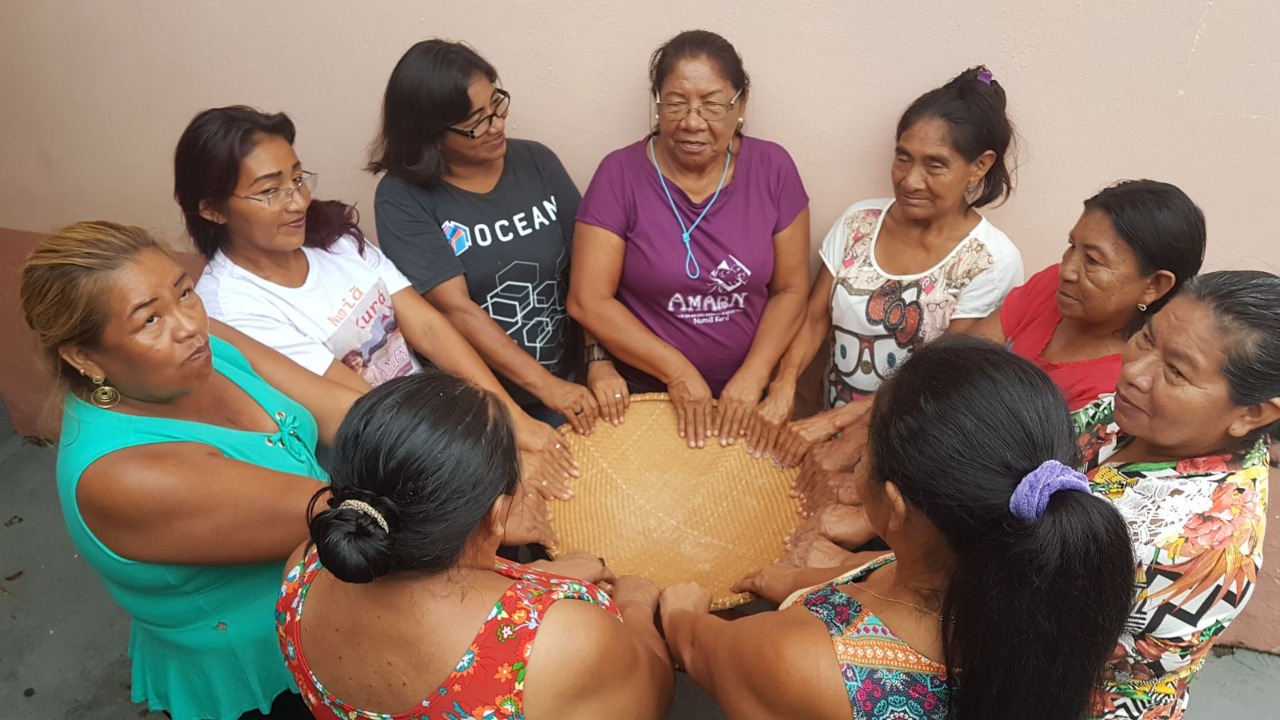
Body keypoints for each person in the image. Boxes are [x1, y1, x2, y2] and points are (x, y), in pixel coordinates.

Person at [659, 337, 1134, 719]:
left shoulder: (806, 664)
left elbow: (702, 649)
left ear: (895, 506)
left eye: (864, 451)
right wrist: (801, 583)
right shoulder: (1043, 592)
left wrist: (673, 611)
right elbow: (877, 577)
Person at [19, 221, 362, 719]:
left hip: (331, 599)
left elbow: (343, 409)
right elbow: (353, 518)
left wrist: (499, 436)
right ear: (83, 357)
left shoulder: (200, 347)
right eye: (149, 321)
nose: (187, 324)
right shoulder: (126, 474)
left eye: (184, 292)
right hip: (269, 666)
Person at [174, 106, 577, 498]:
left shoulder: (330, 237)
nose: (297, 202)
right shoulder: (233, 310)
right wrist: (495, 455)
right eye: (269, 191)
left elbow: (430, 328)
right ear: (212, 209)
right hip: (397, 467)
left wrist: (510, 420)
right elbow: (364, 411)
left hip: (447, 421)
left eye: (298, 179)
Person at [277, 371, 674, 719]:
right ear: (498, 514)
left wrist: (538, 581)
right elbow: (649, 699)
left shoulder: (305, 565)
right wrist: (635, 606)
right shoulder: (562, 642)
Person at [764, 65, 1023, 467]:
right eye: (903, 158)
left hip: (906, 450)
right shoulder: (858, 223)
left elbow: (937, 381)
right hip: (823, 430)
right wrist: (785, 381)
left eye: (934, 165)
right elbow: (814, 318)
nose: (910, 180)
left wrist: (837, 421)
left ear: (979, 166)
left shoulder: (990, 261)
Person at [569, 29, 811, 448]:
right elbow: (588, 300)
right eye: (676, 103)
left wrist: (755, 375)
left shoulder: (774, 168)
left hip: (748, 400)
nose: (692, 122)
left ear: (741, 104)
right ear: (658, 102)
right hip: (646, 397)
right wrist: (676, 372)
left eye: (713, 104)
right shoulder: (619, 174)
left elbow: (790, 289)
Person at [370, 40, 620, 432]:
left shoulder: (538, 161)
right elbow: (456, 310)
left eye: (496, 105)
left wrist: (597, 358)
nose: (497, 125)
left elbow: (587, 275)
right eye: (476, 122)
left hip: (571, 380)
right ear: (430, 134)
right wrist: (546, 387)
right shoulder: (401, 198)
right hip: (483, 405)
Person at [1071, 270, 1280, 719]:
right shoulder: (1140, 419)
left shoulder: (1199, 540)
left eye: (1176, 371)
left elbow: (1049, 637)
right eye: (1145, 339)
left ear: (1253, 412)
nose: (1135, 373)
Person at [968, 179, 1206, 410]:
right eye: (1072, 245)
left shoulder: (1124, 387)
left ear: (1154, 285)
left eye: (1092, 260)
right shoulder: (1052, 286)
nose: (1067, 270)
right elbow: (964, 358)